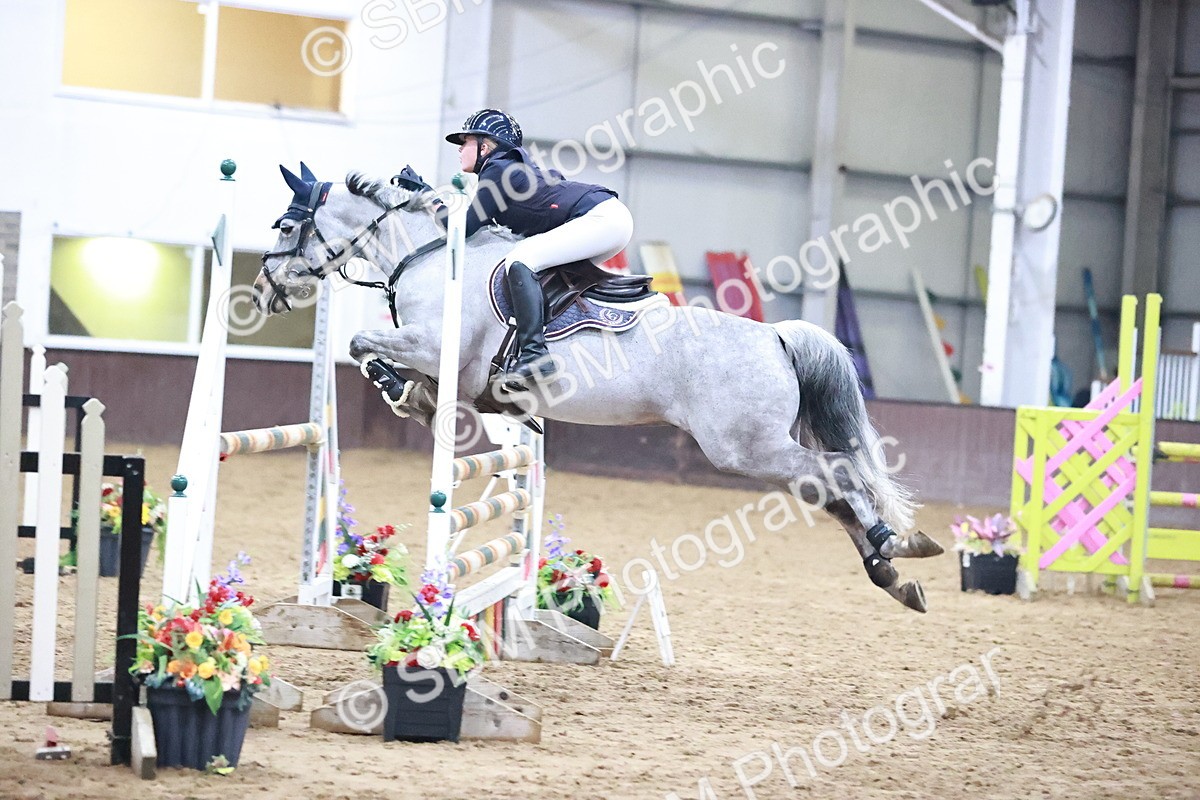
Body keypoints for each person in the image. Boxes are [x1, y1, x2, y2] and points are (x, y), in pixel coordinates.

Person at [444, 109, 633, 390]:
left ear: (485, 147)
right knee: (539, 266)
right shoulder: (513, 170)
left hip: (601, 219)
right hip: (609, 219)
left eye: (466, 141)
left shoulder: (498, 169)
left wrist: (427, 201)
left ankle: (535, 356)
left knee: (520, 259)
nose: (460, 149)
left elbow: (465, 226)